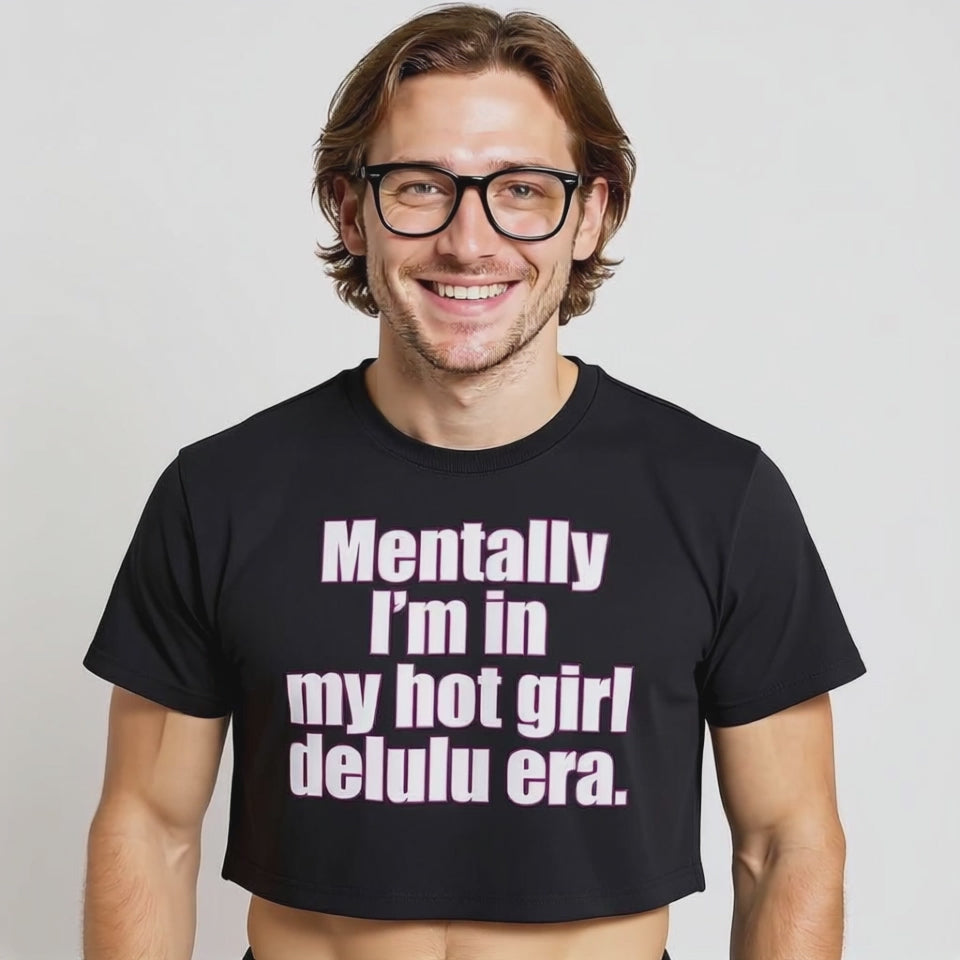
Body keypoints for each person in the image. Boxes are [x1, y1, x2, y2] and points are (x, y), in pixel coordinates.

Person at [80, 5, 867, 960]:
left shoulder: (720, 498)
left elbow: (786, 847)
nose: (468, 240)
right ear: (350, 207)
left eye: (523, 190)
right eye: (420, 187)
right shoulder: (222, 494)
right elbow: (149, 830)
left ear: (592, 212)